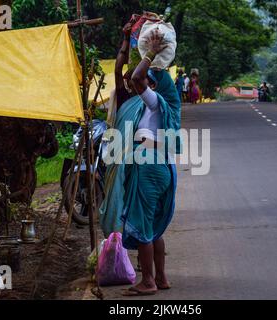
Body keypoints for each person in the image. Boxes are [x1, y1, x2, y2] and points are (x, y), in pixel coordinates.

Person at [99, 29, 181, 296]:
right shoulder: (153, 107)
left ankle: (148, 282)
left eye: (148, 80)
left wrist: (151, 53)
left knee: (143, 225)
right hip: (161, 166)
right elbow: (129, 74)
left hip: (148, 165)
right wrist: (127, 39)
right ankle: (162, 277)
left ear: (153, 87)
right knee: (155, 227)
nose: (139, 82)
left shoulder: (156, 103)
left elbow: (135, 76)